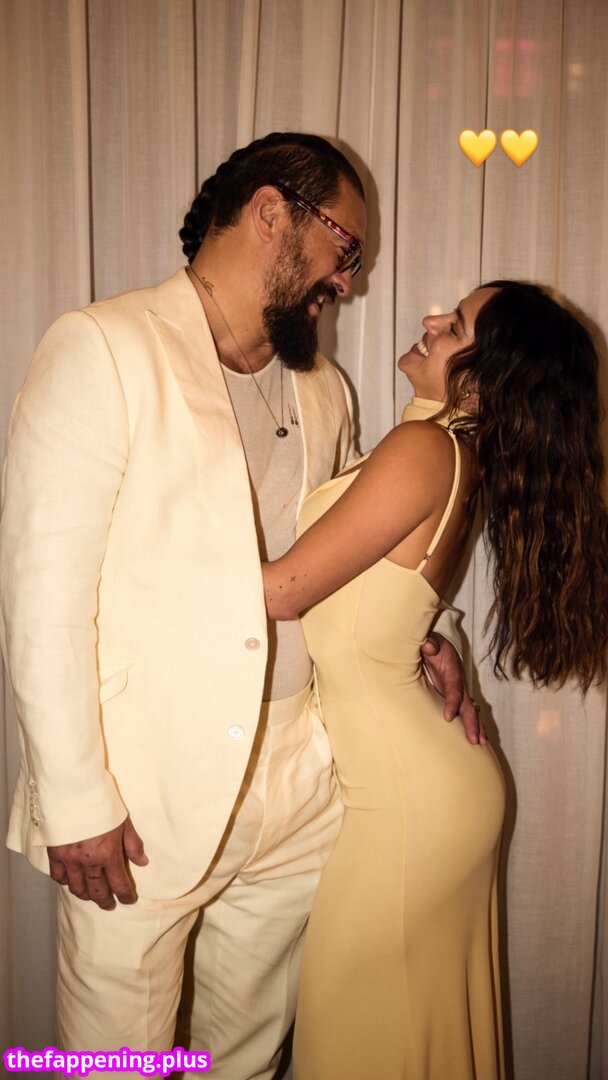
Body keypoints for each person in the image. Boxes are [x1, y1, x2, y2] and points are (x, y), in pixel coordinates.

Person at [0, 132, 478, 1079]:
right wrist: (76, 800)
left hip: (300, 785)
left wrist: (438, 626)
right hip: (138, 796)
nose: (347, 281)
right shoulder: (105, 347)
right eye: (345, 248)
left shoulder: (325, 387)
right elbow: (42, 594)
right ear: (271, 213)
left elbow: (360, 545)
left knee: (247, 1059)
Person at [262, 280, 608, 1080]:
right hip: (426, 791)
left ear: (481, 384)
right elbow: (391, 597)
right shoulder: (443, 448)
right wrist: (436, 637)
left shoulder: (426, 450)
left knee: (351, 1043)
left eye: (454, 327)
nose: (429, 322)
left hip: (407, 809)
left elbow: (282, 591)